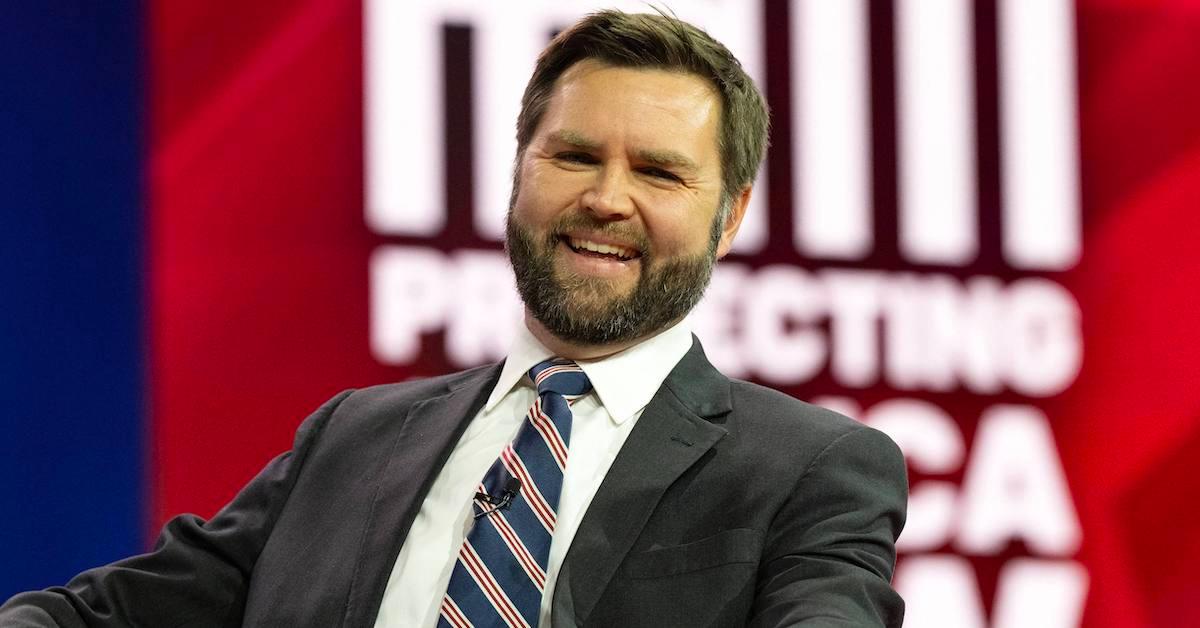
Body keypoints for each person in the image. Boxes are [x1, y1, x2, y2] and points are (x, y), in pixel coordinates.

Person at [1, 10, 907, 628]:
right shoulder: (351, 437)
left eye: (660, 173)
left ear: (732, 211)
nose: (605, 198)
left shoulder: (813, 470)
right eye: (574, 155)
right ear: (519, 171)